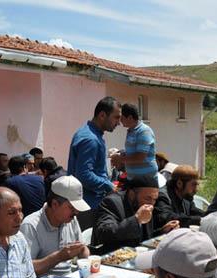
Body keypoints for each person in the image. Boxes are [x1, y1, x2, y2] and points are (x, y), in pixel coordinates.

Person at [67, 96, 121, 229]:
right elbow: (84, 174)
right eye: (116, 117)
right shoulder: (90, 139)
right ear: (102, 115)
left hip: (89, 201)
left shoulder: (92, 134)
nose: (119, 123)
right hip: (87, 205)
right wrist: (108, 185)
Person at [91, 175, 179, 255]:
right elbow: (104, 233)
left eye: (154, 199)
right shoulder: (111, 202)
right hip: (112, 258)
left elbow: (143, 238)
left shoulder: (147, 205)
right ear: (132, 194)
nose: (151, 204)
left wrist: (162, 231)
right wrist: (136, 220)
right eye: (147, 198)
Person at [20, 176, 90, 274]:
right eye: (71, 207)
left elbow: (83, 248)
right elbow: (25, 268)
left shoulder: (70, 219)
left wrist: (83, 252)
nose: (76, 212)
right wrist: (58, 257)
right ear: (55, 204)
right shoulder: (31, 225)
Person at [121, 103, 157, 180]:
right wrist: (122, 154)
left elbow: (140, 157)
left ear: (130, 117)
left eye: (122, 118)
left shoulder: (144, 131)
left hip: (146, 179)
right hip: (134, 178)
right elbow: (132, 153)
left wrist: (120, 159)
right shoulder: (131, 131)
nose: (120, 121)